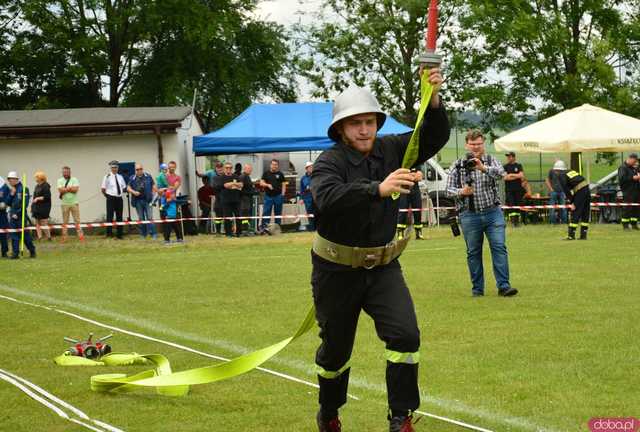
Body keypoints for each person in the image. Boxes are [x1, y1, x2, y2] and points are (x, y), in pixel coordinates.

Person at [311, 67, 450, 432]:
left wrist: (432, 96)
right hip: (336, 271)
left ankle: (400, 417)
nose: (364, 129)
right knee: (335, 353)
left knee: (405, 336)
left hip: (384, 267)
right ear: (340, 129)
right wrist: (378, 188)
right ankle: (329, 413)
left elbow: (431, 136)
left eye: (370, 121)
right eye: (355, 123)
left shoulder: (393, 149)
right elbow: (326, 197)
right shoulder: (330, 162)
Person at [446, 130, 518, 298]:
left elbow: (502, 175)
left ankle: (504, 286)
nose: (476, 147)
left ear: (483, 144)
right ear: (467, 145)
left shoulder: (492, 160)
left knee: (499, 247)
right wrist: (461, 191)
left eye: (479, 144)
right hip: (469, 215)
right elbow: (448, 190)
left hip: (493, 212)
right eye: (473, 144)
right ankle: (477, 290)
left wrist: (483, 168)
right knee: (473, 252)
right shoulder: (457, 164)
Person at [5, 172, 36, 259]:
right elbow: (7, 203)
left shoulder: (24, 189)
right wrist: (11, 194)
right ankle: (15, 253)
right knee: (13, 235)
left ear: (15, 179)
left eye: (10, 180)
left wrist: (17, 213)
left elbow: (24, 204)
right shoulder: (12, 190)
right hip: (12, 216)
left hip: (20, 216)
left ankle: (32, 250)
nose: (10, 182)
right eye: (9, 180)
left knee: (25, 235)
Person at [127, 163, 158, 239]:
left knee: (150, 217)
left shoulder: (148, 176)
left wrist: (154, 194)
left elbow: (153, 185)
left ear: (142, 169)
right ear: (135, 170)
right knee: (141, 218)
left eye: (140, 169)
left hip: (148, 201)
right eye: (137, 169)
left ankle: (153, 234)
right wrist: (134, 192)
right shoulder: (132, 178)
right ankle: (142, 235)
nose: (139, 171)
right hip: (138, 201)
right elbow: (128, 188)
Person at [560, 168, 591, 240]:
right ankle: (583, 235)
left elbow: (566, 190)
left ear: (557, 171)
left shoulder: (561, 175)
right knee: (585, 212)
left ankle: (571, 235)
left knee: (575, 212)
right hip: (586, 188)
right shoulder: (570, 171)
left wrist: (572, 202)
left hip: (580, 191)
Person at [57, 166, 84, 242]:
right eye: (64, 172)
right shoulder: (59, 180)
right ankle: (64, 237)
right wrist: (69, 188)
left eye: (66, 172)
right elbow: (60, 190)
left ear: (69, 172)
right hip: (64, 203)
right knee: (65, 221)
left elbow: (75, 190)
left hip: (74, 203)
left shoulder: (74, 179)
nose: (65, 173)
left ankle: (81, 236)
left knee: (77, 220)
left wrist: (65, 189)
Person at [101, 161, 126, 239]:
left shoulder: (120, 177)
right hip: (111, 198)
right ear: (110, 168)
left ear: (118, 168)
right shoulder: (107, 176)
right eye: (113, 168)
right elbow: (103, 188)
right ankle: (109, 234)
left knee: (119, 216)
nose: (114, 169)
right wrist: (108, 196)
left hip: (119, 198)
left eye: (116, 167)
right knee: (110, 216)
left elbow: (124, 187)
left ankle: (119, 234)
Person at [217, 162, 243, 237]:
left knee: (238, 216)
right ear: (224, 169)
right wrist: (234, 184)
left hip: (236, 200)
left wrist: (232, 184)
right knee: (227, 217)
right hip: (226, 201)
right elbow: (225, 185)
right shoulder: (222, 177)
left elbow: (241, 185)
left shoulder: (236, 176)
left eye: (230, 168)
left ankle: (239, 233)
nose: (229, 169)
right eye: (227, 168)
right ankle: (228, 233)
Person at [396, 170, 425, 240]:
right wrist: (412, 175)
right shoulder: (403, 164)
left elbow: (420, 177)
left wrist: (409, 176)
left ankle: (419, 233)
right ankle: (400, 233)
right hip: (404, 189)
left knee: (417, 211)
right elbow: (401, 176)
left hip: (415, 189)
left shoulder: (417, 164)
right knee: (403, 212)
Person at [259, 159, 286, 233]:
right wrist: (267, 185)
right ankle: (264, 229)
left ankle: (277, 229)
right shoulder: (266, 173)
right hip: (268, 197)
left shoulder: (280, 174)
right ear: (270, 165)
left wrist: (282, 195)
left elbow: (284, 184)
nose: (274, 166)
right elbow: (261, 183)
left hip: (278, 196)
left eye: (276, 164)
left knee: (278, 213)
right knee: (266, 213)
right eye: (273, 164)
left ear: (277, 166)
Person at [618, 153, 640, 230]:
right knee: (627, 208)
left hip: (636, 191)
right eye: (634, 161)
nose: (635, 163)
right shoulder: (623, 168)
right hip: (628, 191)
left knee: (636, 209)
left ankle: (634, 224)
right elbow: (622, 179)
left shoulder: (633, 168)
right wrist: (633, 178)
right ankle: (625, 225)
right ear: (630, 158)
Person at [503, 152, 525, 226]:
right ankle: (513, 221)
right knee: (511, 205)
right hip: (509, 190)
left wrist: (511, 175)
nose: (508, 158)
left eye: (510, 156)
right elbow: (505, 178)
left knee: (518, 204)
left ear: (514, 157)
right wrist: (516, 176)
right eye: (508, 157)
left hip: (518, 189)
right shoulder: (505, 166)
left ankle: (518, 221)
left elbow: (521, 176)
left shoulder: (519, 166)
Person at [545, 160, 568, 224]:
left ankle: (564, 222)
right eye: (557, 170)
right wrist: (551, 189)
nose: (558, 171)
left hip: (562, 192)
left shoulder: (565, 172)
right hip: (554, 192)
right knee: (552, 208)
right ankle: (553, 222)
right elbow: (547, 180)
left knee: (563, 208)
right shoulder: (551, 171)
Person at [31, 171, 52, 241]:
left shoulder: (46, 185)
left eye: (36, 177)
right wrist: (33, 204)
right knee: (37, 222)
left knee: (43, 222)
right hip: (36, 206)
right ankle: (39, 237)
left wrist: (38, 198)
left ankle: (48, 237)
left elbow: (47, 197)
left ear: (41, 178)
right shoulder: (37, 186)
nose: (35, 178)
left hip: (44, 206)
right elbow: (34, 196)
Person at [239, 163, 257, 235]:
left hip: (248, 199)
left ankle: (246, 229)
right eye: (249, 169)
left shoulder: (247, 176)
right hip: (244, 199)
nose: (250, 170)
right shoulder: (243, 177)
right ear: (245, 169)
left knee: (247, 214)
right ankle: (244, 230)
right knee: (245, 214)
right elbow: (240, 188)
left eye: (251, 169)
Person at [299, 161, 315, 231]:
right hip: (307, 198)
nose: (312, 168)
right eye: (310, 167)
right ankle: (312, 229)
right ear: (307, 168)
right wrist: (301, 198)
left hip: (316, 198)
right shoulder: (303, 178)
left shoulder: (316, 176)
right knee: (309, 214)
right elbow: (301, 189)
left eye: (312, 167)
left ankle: (318, 229)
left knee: (317, 213)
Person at [0, 175, 10, 257]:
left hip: (2, 214)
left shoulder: (4, 186)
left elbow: (7, 201)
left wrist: (5, 204)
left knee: (3, 233)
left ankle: (4, 251)